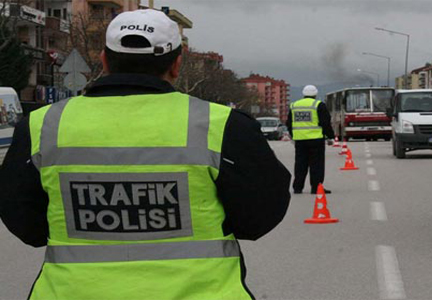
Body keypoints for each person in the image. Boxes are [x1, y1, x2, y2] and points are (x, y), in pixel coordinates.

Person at [0, 9, 290, 300]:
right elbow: (259, 216)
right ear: (177, 64)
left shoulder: (43, 126)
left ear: (103, 60)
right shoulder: (222, 125)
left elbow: (23, 219)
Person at [286, 85, 335, 194]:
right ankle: (316, 188)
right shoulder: (318, 105)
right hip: (316, 139)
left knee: (300, 164)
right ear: (315, 94)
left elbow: (289, 123)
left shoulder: (294, 105)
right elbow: (325, 122)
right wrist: (331, 136)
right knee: (316, 165)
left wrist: (293, 136)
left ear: (303, 93)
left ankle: (297, 187)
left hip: (300, 140)